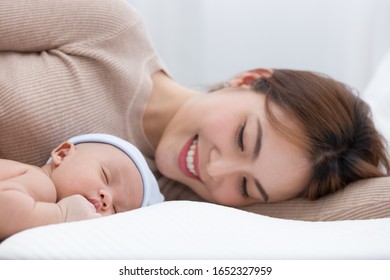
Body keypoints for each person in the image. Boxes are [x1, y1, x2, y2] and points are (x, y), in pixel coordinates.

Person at [0, 0, 388, 208]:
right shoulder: (111, 33)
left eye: (246, 186)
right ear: (249, 79)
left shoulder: (166, 198)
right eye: (241, 138)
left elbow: (352, 212)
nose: (215, 169)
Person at [0, 133, 164, 240]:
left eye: (116, 210)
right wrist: (62, 215)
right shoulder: (42, 184)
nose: (107, 198)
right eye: (105, 175)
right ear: (63, 154)